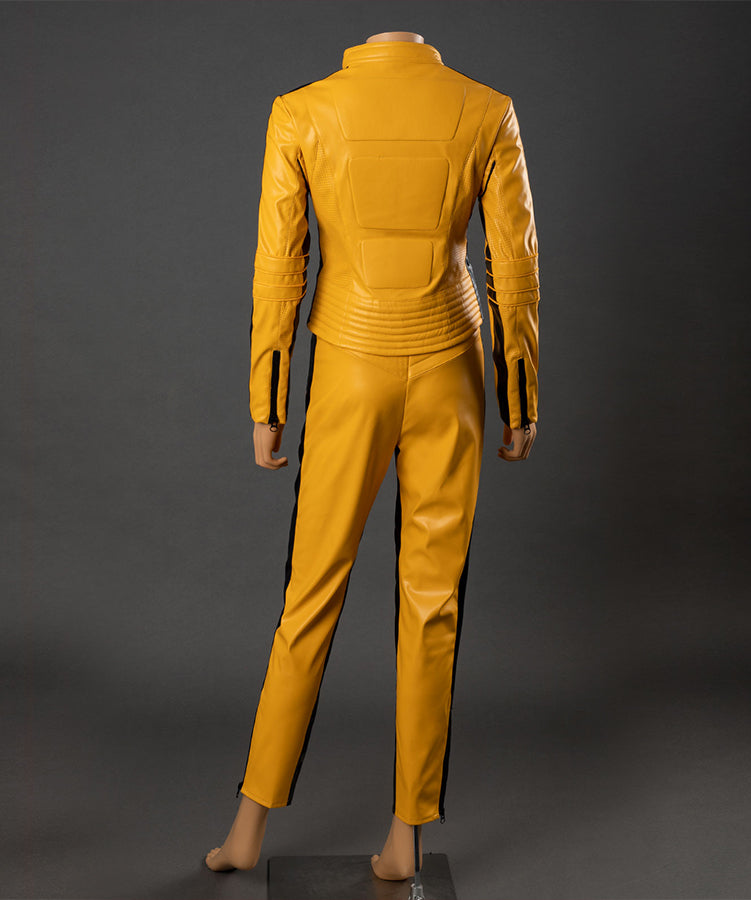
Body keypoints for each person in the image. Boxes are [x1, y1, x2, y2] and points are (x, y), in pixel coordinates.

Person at [205, 30, 540, 881]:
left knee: (310, 594)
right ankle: (405, 840)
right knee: (433, 605)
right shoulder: (486, 110)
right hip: (452, 366)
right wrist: (520, 392)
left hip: (349, 367)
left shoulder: (302, 111)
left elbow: (279, 261)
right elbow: (515, 262)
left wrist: (268, 398)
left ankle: (248, 828)